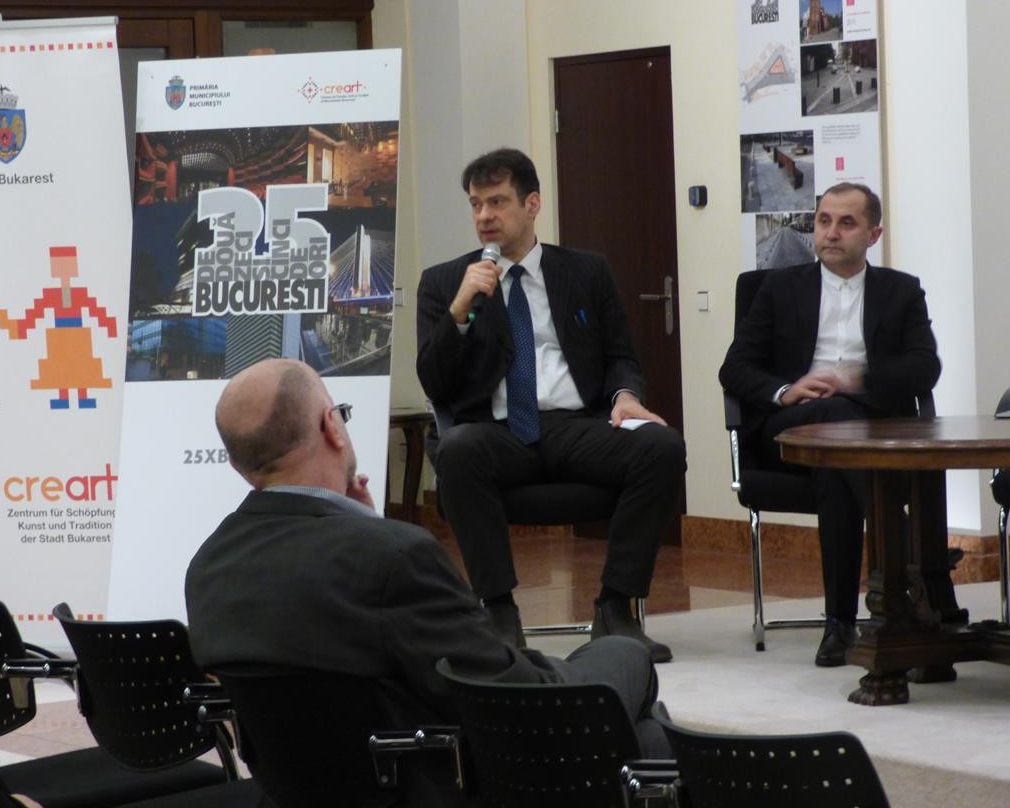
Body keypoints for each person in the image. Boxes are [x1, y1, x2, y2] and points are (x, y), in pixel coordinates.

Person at [184, 358, 672, 759]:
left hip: (314, 789)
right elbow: (520, 699)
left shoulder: (208, 567)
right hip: (439, 785)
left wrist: (364, 525)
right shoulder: (396, 557)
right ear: (332, 427)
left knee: (640, 735)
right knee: (628, 669)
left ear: (238, 465)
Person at [416, 148, 685, 662]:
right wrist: (459, 312)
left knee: (662, 447)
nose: (484, 216)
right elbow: (435, 381)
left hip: (574, 425)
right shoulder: (445, 282)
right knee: (458, 449)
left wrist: (626, 397)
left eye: (497, 202)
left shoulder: (586, 271)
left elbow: (621, 357)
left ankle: (616, 609)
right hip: (495, 431)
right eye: (475, 204)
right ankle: (498, 611)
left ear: (532, 203)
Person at [719, 183, 940, 666]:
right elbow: (734, 369)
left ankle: (840, 624)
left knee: (836, 463)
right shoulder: (779, 288)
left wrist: (857, 379)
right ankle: (920, 568)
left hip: (868, 437)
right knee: (832, 419)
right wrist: (787, 390)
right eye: (823, 221)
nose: (831, 233)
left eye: (846, 223)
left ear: (873, 234)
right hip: (790, 433)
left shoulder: (900, 291)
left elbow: (925, 368)